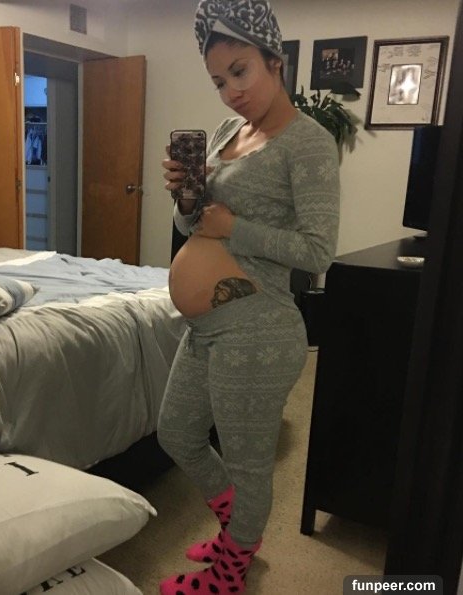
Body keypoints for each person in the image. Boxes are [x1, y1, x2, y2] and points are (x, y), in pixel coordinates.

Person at [157, 1, 340, 593]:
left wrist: (233, 227)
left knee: (247, 462)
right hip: (207, 329)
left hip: (260, 329)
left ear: (274, 61)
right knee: (176, 433)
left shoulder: (308, 143)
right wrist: (187, 201)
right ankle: (239, 532)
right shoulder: (224, 133)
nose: (230, 91)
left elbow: (317, 251)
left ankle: (230, 571)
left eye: (240, 71)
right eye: (218, 81)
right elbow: (193, 224)